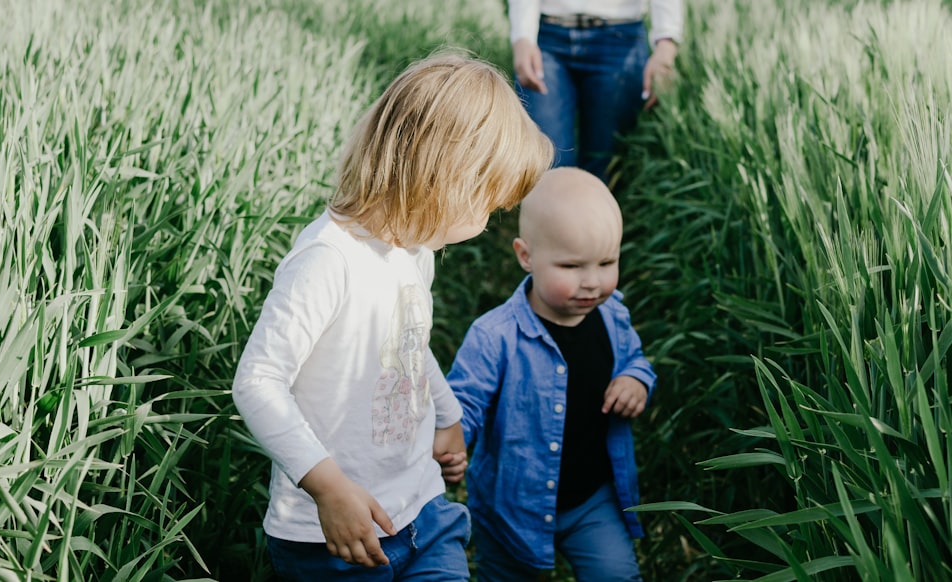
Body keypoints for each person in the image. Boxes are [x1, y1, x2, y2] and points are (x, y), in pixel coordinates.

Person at [232, 51, 554, 581]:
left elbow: (408, 343)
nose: (486, 223)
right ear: (442, 179)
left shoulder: (413, 251)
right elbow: (258, 381)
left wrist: (446, 415)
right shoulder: (327, 262)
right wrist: (329, 488)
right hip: (334, 537)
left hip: (423, 512)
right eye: (486, 205)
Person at [445, 166, 657, 581]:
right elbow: (464, 404)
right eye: (572, 266)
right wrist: (453, 443)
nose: (592, 282)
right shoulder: (494, 337)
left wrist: (636, 380)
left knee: (616, 575)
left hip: (593, 499)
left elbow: (635, 359)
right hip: (511, 506)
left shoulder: (613, 317)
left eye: (606, 262)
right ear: (526, 256)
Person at [509, 0, 684, 183]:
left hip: (620, 39)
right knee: (544, 166)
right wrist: (522, 36)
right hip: (547, 37)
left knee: (604, 170)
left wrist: (666, 44)